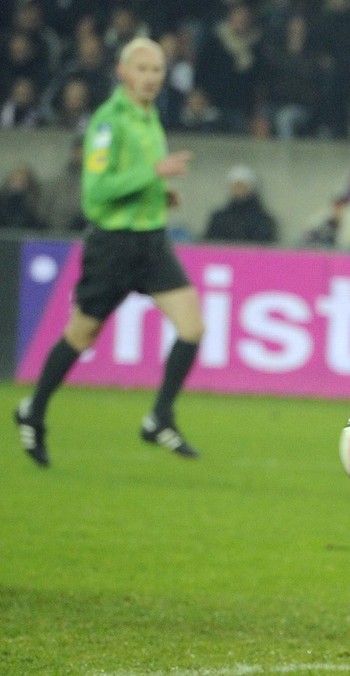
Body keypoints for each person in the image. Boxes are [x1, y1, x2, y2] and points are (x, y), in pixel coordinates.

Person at [14, 37, 204, 467]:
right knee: (81, 336)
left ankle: (159, 417)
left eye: (158, 69)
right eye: (143, 69)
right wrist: (153, 172)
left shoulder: (149, 115)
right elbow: (96, 192)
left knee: (192, 326)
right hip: (114, 245)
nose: (151, 77)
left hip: (151, 241)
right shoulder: (107, 122)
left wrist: (160, 192)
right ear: (122, 72)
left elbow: (134, 181)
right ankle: (34, 410)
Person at [203, 164, 278, 244]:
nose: (239, 190)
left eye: (242, 186)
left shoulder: (263, 221)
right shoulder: (219, 218)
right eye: (236, 186)